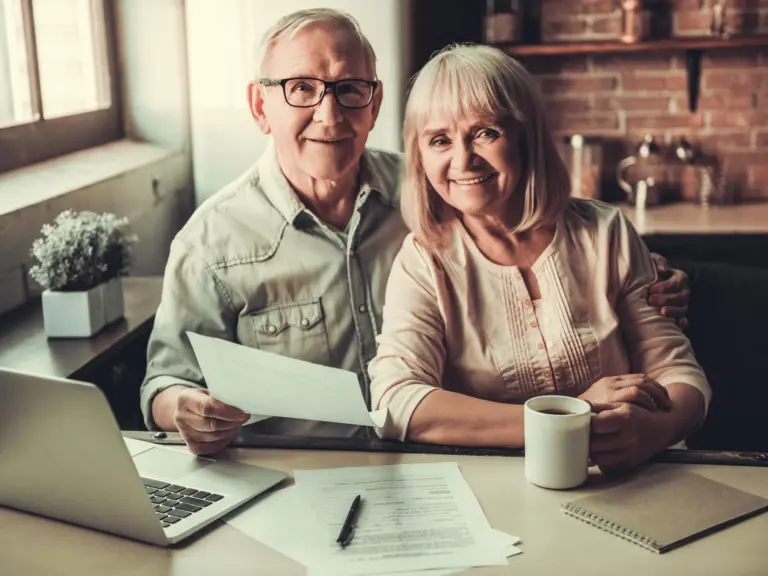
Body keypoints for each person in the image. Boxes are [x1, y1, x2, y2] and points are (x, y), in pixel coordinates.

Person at [140, 9, 691, 456]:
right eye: (301, 88)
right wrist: (183, 406)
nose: (330, 114)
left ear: (374, 103)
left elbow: (540, 236)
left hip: (434, 462)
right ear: (261, 106)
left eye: (349, 88)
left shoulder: (439, 188)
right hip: (296, 467)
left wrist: (645, 276)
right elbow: (164, 383)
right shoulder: (210, 241)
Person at [368, 44, 710, 471]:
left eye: (485, 132)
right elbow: (396, 402)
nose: (463, 159)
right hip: (496, 487)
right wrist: (567, 418)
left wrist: (654, 431)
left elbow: (682, 376)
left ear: (526, 138)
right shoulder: (423, 262)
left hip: (627, 477)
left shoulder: (605, 232)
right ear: (419, 156)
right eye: (439, 140)